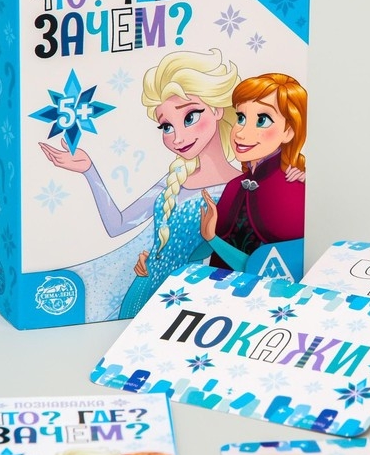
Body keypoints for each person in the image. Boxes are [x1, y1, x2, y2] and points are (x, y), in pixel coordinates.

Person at [39, 48, 242, 319]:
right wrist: (90, 171)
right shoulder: (173, 180)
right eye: (167, 127)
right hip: (144, 288)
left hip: (193, 298)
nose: (178, 138)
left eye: (190, 117)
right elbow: (118, 225)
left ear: (216, 109)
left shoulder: (241, 186)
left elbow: (237, 255)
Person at [198, 73, 307, 272]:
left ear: (289, 131)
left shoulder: (295, 190)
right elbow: (205, 253)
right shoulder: (234, 186)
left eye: (262, 120)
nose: (240, 133)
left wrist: (212, 238)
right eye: (241, 118)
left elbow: (269, 270)